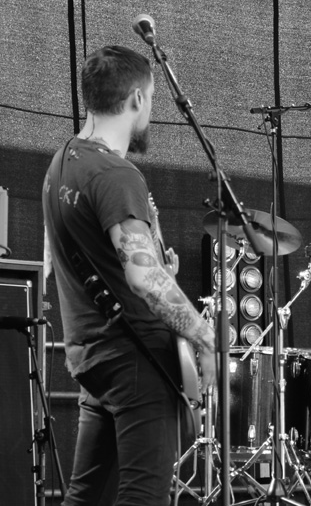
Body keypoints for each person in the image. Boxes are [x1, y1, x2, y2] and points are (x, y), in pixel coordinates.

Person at [42, 45, 216, 506]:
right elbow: (142, 277)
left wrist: (158, 271)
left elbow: (61, 259)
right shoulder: (117, 174)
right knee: (143, 496)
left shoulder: (60, 164)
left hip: (95, 357)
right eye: (152, 100)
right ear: (137, 98)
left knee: (86, 496)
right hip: (135, 358)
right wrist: (204, 335)